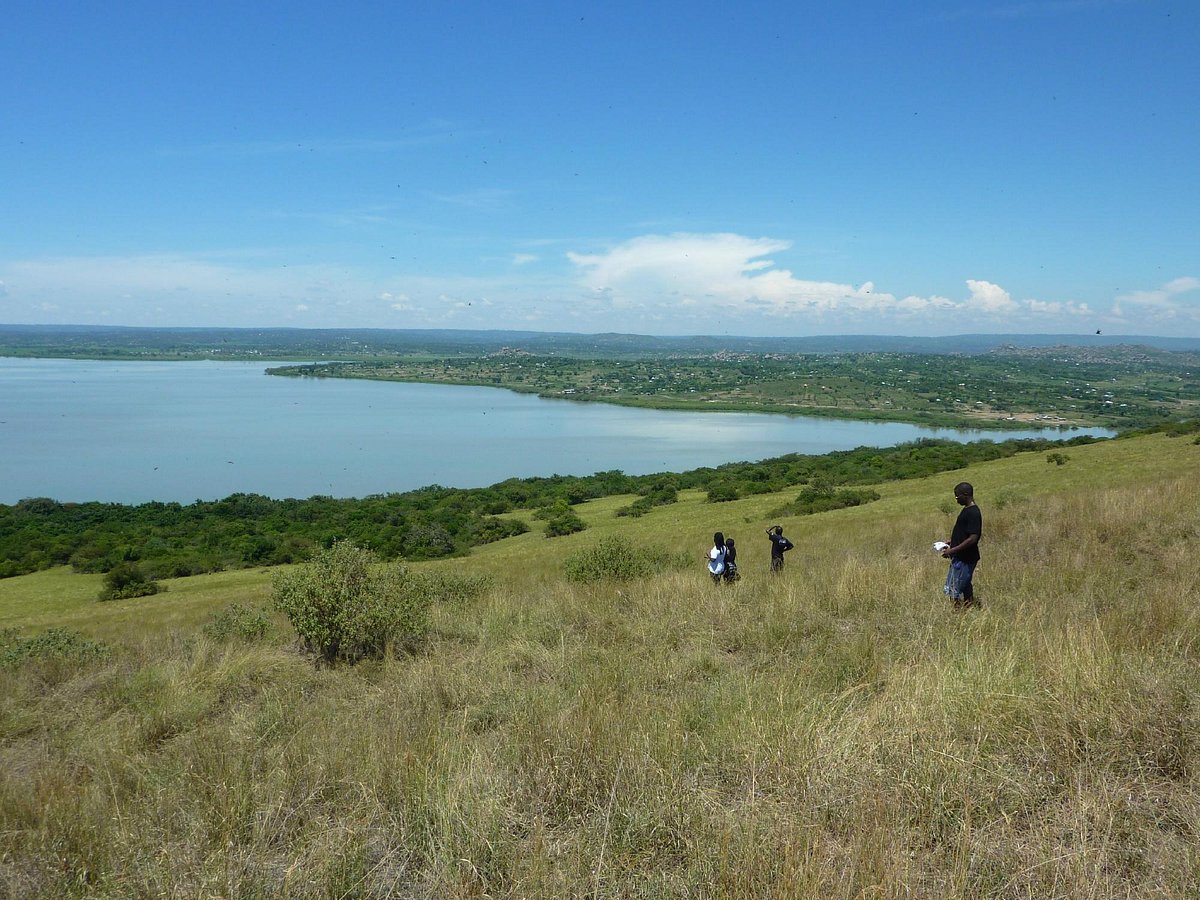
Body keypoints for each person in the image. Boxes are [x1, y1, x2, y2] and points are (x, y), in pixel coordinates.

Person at [941, 482, 982, 609]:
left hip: (965, 558)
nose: (956, 499)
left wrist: (952, 550)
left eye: (957, 497)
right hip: (961, 557)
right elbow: (965, 533)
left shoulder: (973, 513)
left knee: (954, 589)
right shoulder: (967, 510)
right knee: (965, 585)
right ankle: (970, 608)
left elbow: (972, 539)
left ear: (966, 495)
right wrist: (951, 542)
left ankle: (958, 614)